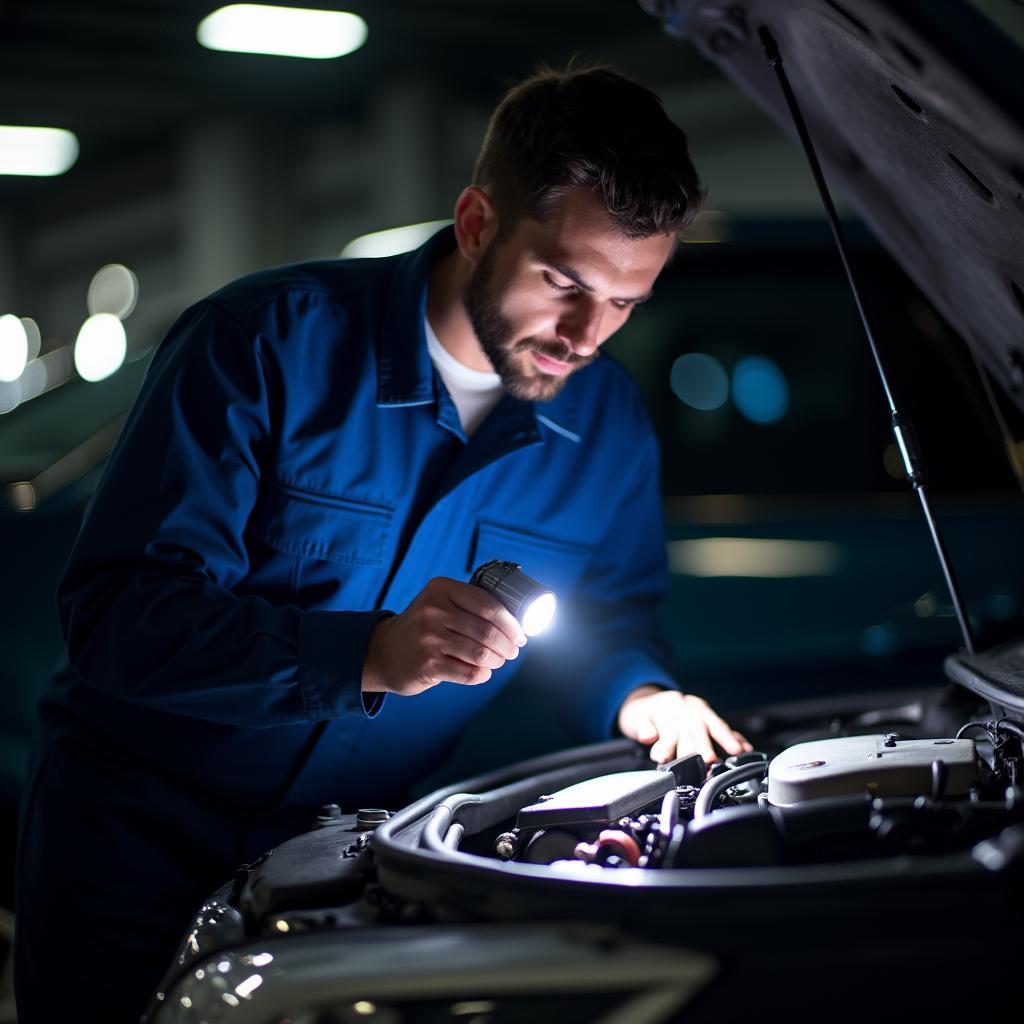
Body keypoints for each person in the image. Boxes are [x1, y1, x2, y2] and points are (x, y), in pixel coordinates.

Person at [15, 65, 749, 1022]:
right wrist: (363, 653)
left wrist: (642, 694)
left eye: (624, 303)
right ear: (479, 222)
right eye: (563, 282)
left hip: (348, 862)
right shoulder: (263, 344)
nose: (585, 335)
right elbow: (120, 616)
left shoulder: (608, 428)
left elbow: (610, 616)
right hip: (133, 848)